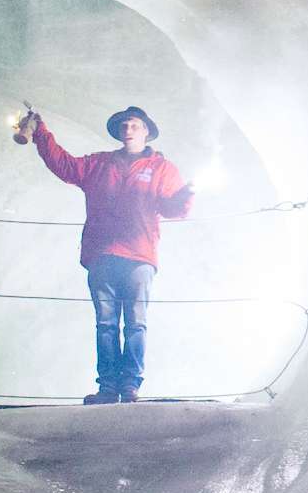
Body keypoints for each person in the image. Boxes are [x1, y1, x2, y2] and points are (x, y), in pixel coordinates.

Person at [23, 104, 193, 404]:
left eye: (134, 125)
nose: (128, 130)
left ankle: (129, 386)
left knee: (135, 323)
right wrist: (40, 133)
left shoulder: (162, 169)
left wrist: (185, 196)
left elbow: (173, 209)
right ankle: (110, 388)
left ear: (146, 132)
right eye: (124, 125)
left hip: (139, 256)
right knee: (107, 324)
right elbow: (64, 165)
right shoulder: (99, 164)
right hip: (103, 254)